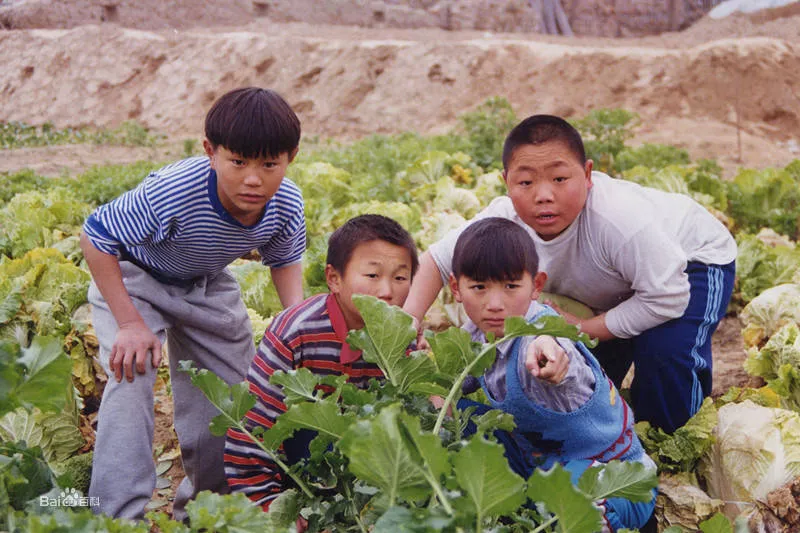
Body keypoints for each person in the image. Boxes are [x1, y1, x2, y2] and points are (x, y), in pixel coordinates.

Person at [404, 114, 737, 434]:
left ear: (588, 174)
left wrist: (586, 327)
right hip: (615, 284)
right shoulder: (504, 219)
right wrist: (408, 321)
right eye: (526, 182)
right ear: (506, 182)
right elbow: (438, 260)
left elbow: (668, 298)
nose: (544, 195)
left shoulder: (620, 221)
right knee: (575, 369)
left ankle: (674, 444)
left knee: (665, 353)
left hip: (690, 262)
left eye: (560, 179)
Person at [81, 87, 306, 520]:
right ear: (210, 151)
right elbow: (96, 237)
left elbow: (285, 263)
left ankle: (209, 511)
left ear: (290, 157)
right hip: (135, 278)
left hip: (205, 282)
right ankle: (117, 517)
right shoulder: (174, 190)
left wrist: (297, 330)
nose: (253, 179)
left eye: (269, 164)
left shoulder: (286, 203)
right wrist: (129, 323)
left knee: (231, 396)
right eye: (238, 162)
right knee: (132, 374)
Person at [451, 217, 656, 532]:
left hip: (615, 479)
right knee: (458, 420)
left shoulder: (547, 340)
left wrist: (552, 356)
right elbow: (449, 386)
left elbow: (555, 344)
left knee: (573, 497)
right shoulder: (475, 335)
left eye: (510, 286)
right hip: (541, 466)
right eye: (478, 287)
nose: (494, 304)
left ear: (536, 286)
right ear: (456, 288)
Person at [224, 214, 419, 509]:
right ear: (334, 279)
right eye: (372, 275)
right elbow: (254, 427)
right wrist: (267, 503)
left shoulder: (400, 333)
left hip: (367, 468)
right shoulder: (296, 333)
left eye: (400, 278)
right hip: (299, 464)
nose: (387, 291)